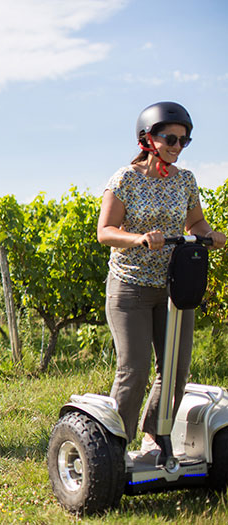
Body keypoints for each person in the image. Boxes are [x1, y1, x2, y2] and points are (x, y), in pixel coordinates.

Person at [96, 101, 226, 460]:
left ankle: (155, 436)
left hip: (173, 288)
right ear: (147, 138)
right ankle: (113, 447)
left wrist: (209, 234)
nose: (176, 145)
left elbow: (194, 225)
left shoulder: (185, 180)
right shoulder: (125, 179)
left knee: (175, 370)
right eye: (170, 138)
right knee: (134, 370)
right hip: (130, 286)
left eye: (184, 140)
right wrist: (138, 238)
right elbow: (105, 232)